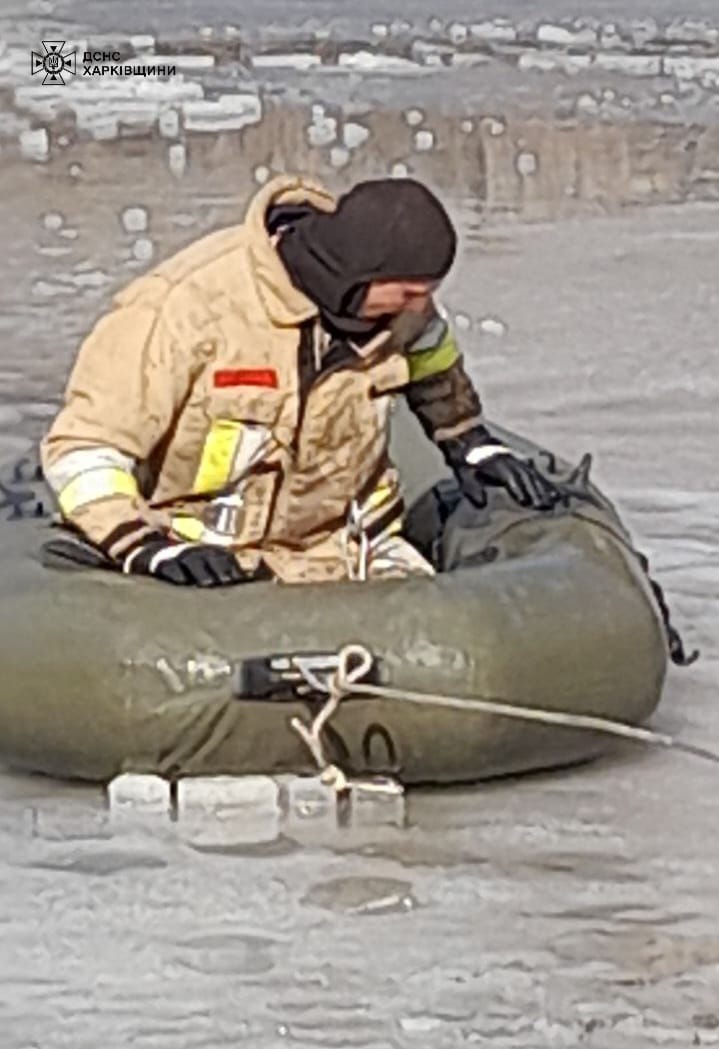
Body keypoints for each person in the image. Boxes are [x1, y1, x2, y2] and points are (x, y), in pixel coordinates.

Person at [41, 175, 561, 587]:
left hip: (346, 552)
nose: (422, 307)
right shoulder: (186, 309)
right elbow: (86, 448)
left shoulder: (399, 316)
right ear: (356, 278)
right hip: (200, 560)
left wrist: (467, 440)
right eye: (409, 292)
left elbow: (432, 359)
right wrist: (142, 545)